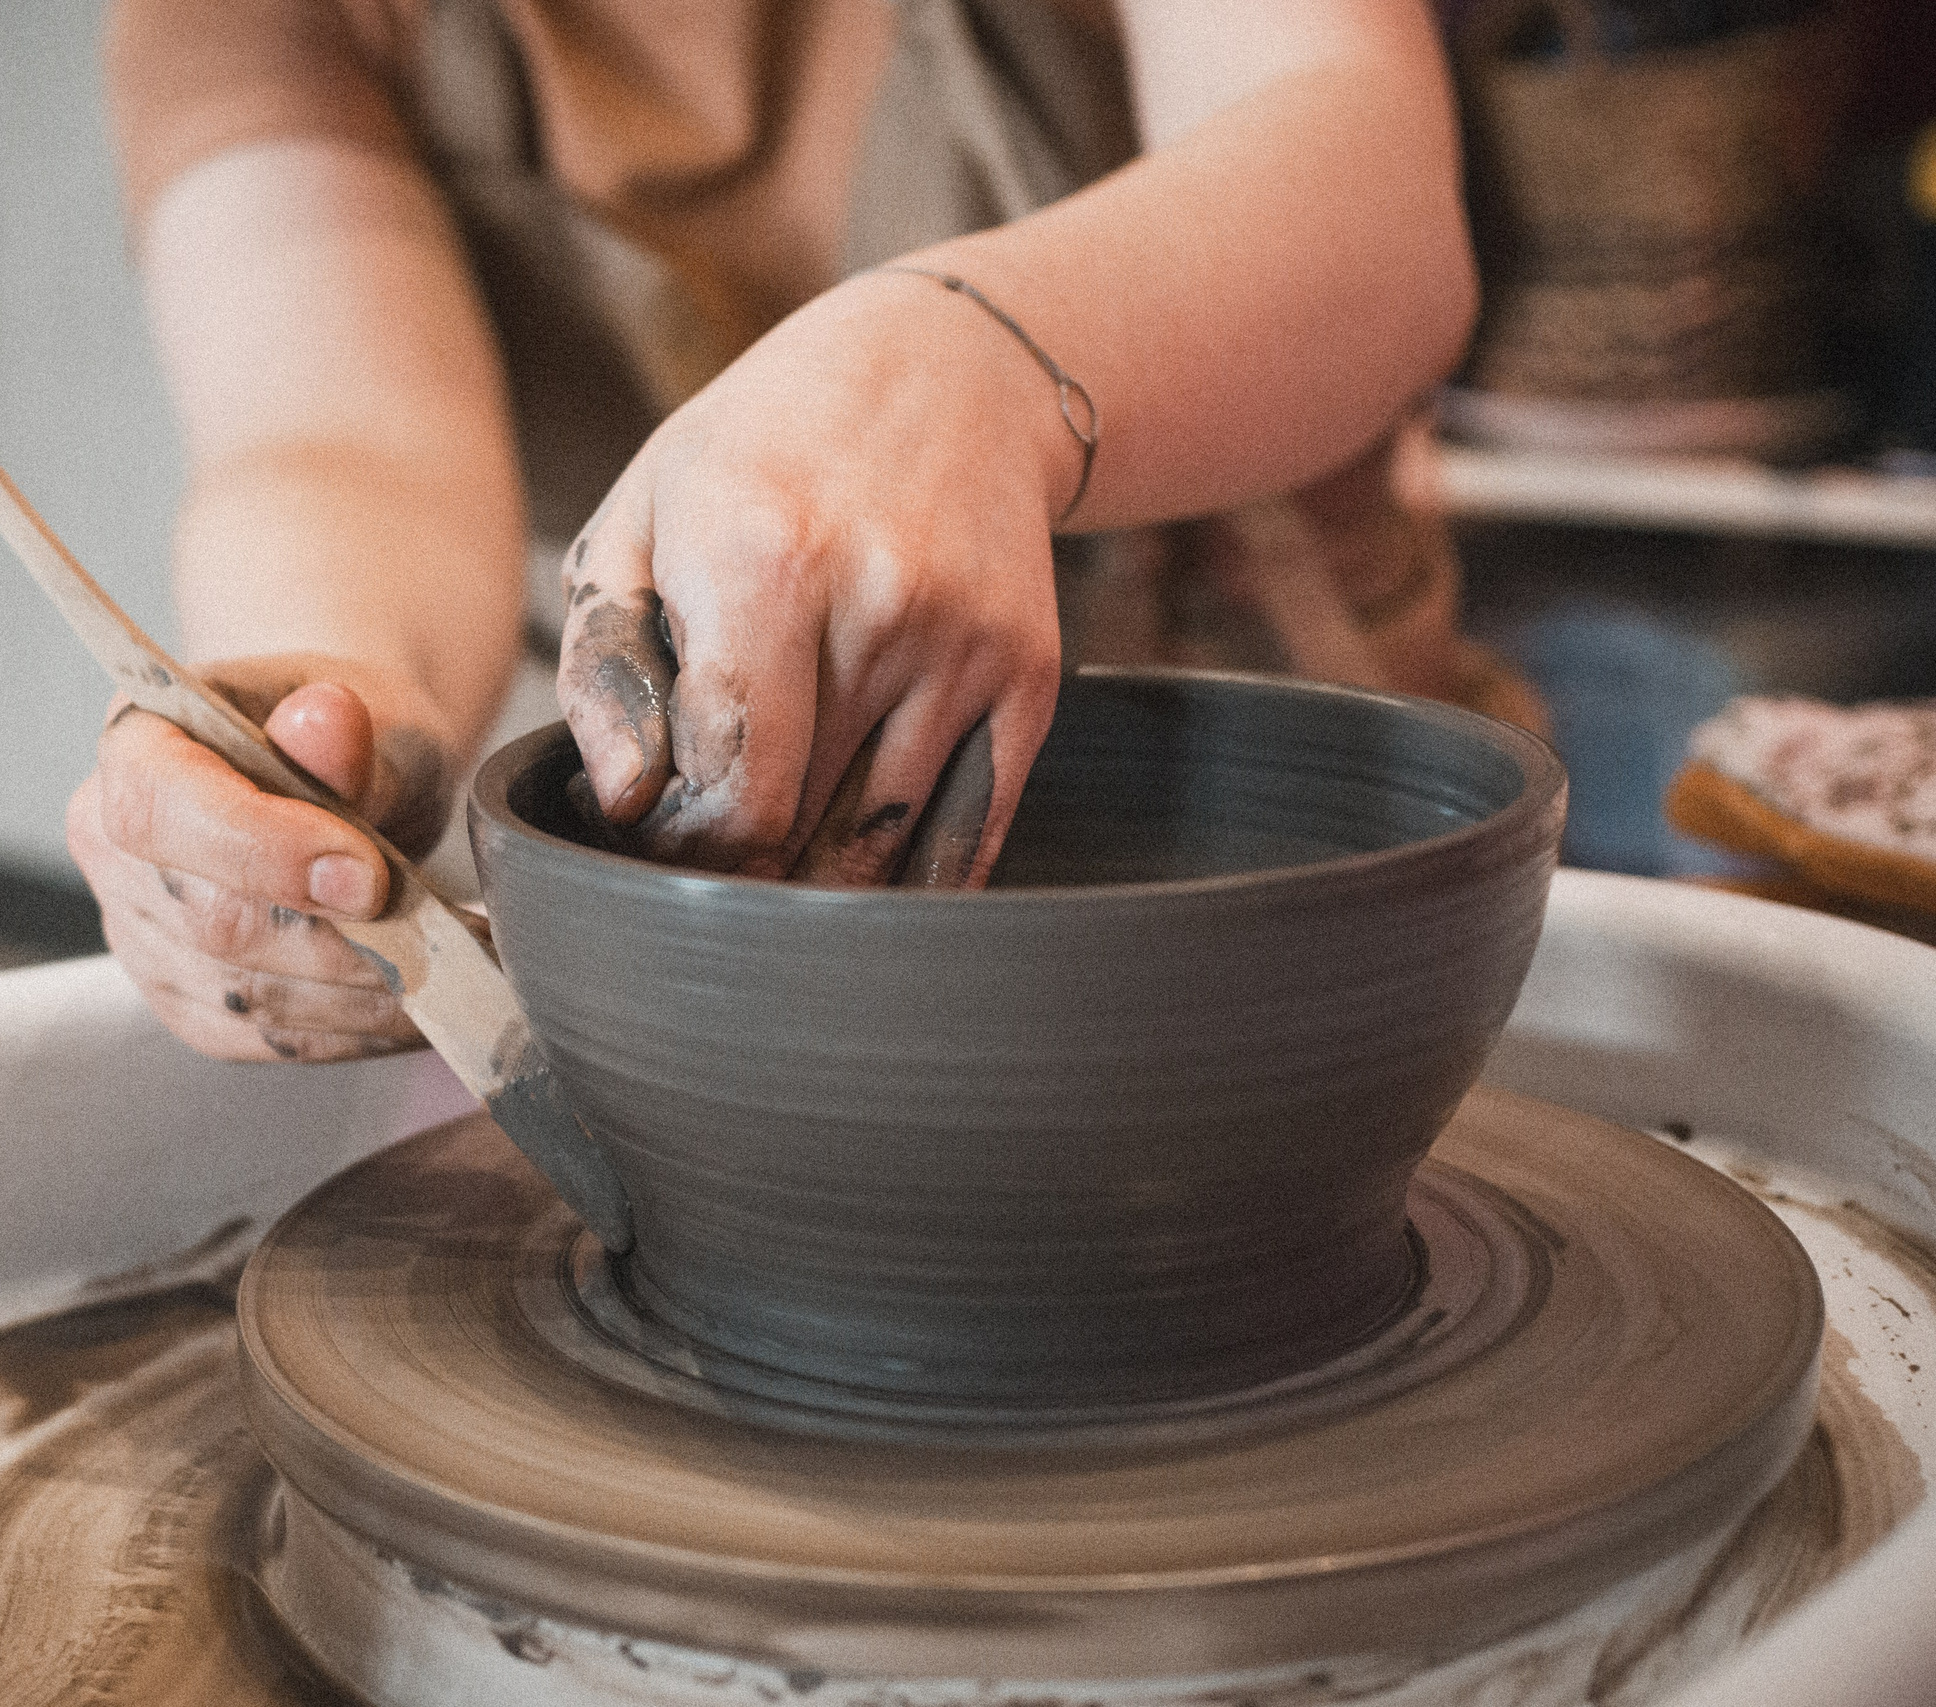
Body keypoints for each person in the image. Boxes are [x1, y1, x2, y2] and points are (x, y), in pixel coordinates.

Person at [75, 0, 1521, 1064]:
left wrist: (977, 364)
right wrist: (298, 734)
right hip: (711, 968)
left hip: (1308, 910)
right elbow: (346, 449)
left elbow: (1371, 187)